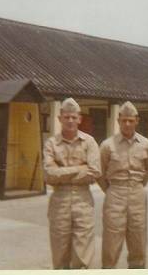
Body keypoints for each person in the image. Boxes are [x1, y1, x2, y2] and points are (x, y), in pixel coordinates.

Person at [43, 97, 101, 269]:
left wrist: (61, 172)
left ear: (79, 119)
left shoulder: (89, 142)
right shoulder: (51, 143)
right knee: (59, 251)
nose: (70, 121)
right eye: (66, 117)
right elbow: (48, 174)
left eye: (74, 117)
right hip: (59, 200)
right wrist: (79, 168)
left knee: (82, 253)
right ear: (60, 118)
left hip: (83, 199)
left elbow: (95, 171)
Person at [97, 101, 148, 268]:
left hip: (137, 192)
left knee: (138, 240)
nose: (127, 124)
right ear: (118, 120)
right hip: (115, 193)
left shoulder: (145, 144)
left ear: (137, 120)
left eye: (131, 120)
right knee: (111, 242)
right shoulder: (107, 145)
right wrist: (112, 190)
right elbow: (100, 173)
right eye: (124, 120)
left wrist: (137, 186)